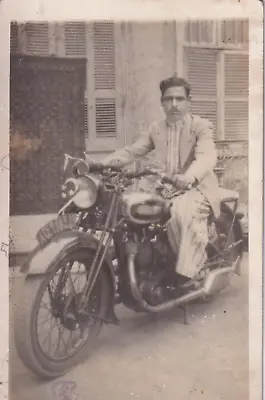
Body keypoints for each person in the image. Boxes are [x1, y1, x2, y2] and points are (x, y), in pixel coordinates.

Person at [102, 76, 220, 285]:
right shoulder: (156, 129)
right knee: (130, 211)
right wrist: (102, 164)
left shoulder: (201, 126)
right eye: (168, 99)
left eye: (179, 99)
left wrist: (189, 177)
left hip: (196, 187)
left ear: (188, 101)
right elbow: (132, 151)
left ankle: (189, 274)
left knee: (179, 213)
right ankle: (144, 264)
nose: (174, 105)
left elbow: (207, 156)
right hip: (167, 188)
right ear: (162, 102)